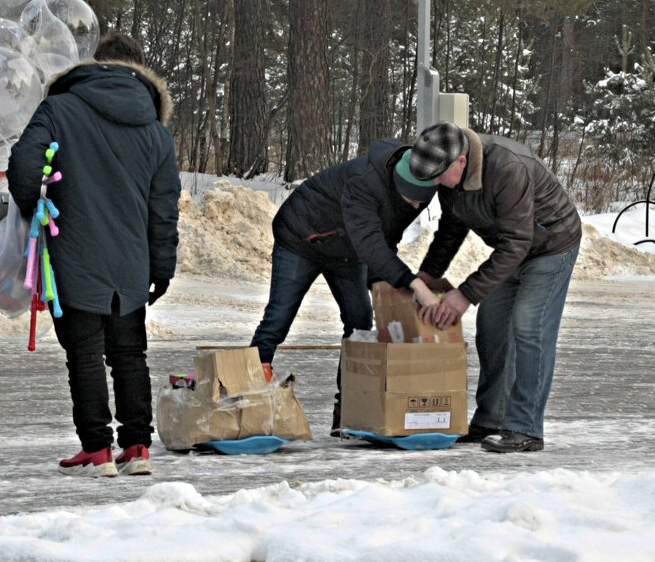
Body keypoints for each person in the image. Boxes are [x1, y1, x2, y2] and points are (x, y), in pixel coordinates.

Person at [7, 30, 179, 477]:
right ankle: (138, 446)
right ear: (142, 71)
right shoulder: (156, 132)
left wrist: (34, 208)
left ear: (94, 63)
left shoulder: (59, 109)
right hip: (131, 262)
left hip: (74, 251)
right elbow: (163, 209)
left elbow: (25, 164)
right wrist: (162, 266)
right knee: (129, 353)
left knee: (83, 353)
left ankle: (98, 449)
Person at [406, 122, 581, 453]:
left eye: (439, 176)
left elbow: (518, 241)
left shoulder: (507, 167)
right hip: (511, 248)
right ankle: (491, 418)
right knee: (491, 326)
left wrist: (466, 294)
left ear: (461, 160)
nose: (436, 184)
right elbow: (452, 228)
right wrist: (428, 274)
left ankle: (525, 428)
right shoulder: (448, 178)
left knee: (530, 327)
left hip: (551, 245)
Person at [249, 139, 443, 432]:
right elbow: (371, 244)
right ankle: (249, 396)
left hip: (347, 249)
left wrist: (388, 292)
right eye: (412, 199)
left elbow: (386, 239)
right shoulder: (364, 181)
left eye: (421, 200)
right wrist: (412, 283)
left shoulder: (421, 185)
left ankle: (350, 407)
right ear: (397, 182)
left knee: (360, 323)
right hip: (302, 237)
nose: (416, 206)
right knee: (279, 317)